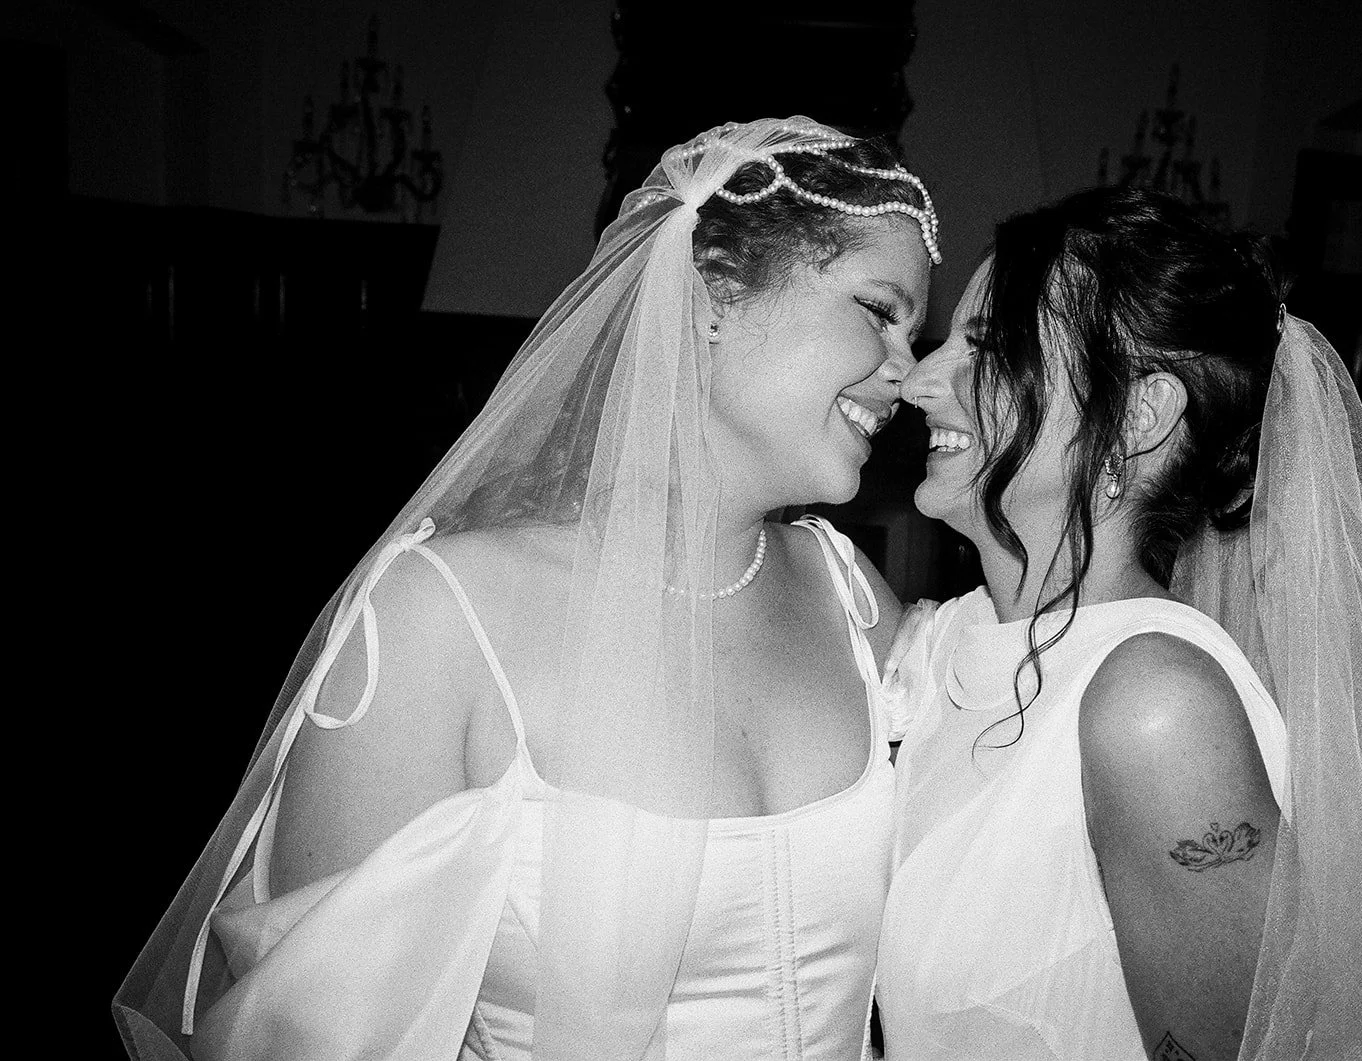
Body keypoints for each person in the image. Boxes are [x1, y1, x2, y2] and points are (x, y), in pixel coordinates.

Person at [113, 117, 940, 1061]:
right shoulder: (441, 617)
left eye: (915, 331)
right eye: (879, 311)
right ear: (714, 299)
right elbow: (315, 1030)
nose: (907, 375)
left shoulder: (852, 597)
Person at [876, 188, 1362, 1060]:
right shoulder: (949, 638)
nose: (920, 379)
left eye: (989, 349)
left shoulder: (1156, 707)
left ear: (1137, 419)